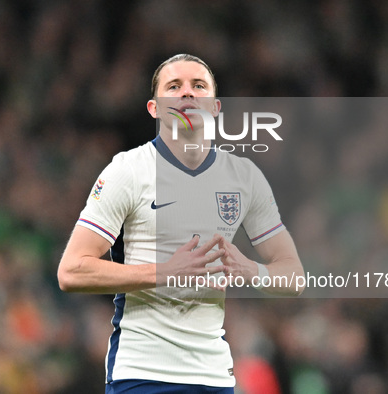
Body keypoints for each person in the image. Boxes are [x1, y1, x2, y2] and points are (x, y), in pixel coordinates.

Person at [58, 53, 304, 393]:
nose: (187, 93)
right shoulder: (127, 171)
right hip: (142, 372)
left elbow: (294, 276)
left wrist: (251, 270)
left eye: (198, 86)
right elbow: (71, 271)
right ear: (154, 108)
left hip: (213, 376)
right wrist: (164, 272)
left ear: (216, 107)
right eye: (174, 86)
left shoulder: (244, 178)